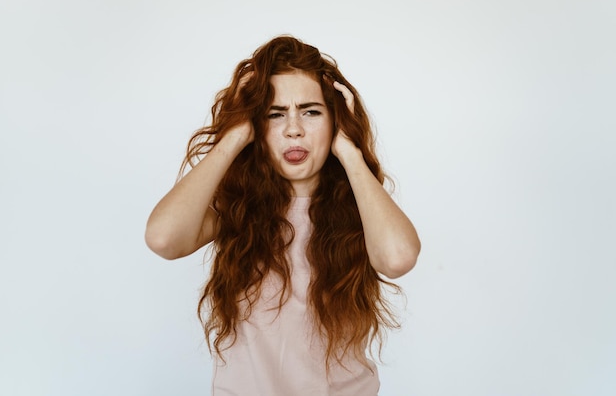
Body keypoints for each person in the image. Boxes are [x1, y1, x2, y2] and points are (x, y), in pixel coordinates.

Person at [145, 35, 420, 395]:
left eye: (311, 111)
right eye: (274, 114)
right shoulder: (236, 208)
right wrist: (236, 132)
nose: (294, 129)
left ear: (334, 120)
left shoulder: (363, 208)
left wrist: (348, 150)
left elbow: (398, 258)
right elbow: (163, 239)